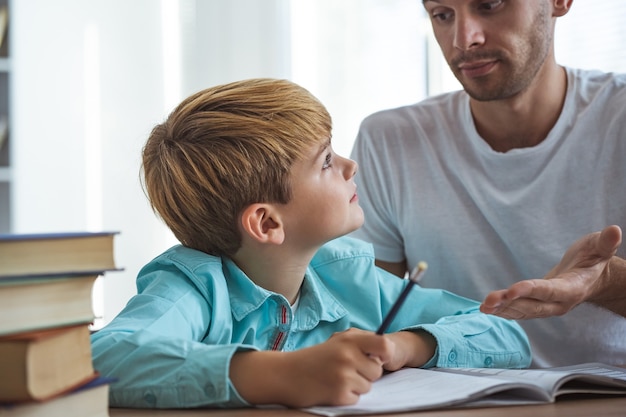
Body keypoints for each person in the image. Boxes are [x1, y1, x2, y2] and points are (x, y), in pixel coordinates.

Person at [90, 78, 530, 409]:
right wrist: (276, 375)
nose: (350, 164)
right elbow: (101, 356)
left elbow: (507, 333)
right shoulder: (193, 287)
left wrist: (405, 346)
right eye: (325, 161)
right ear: (266, 222)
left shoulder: (346, 274)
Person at [349, 0, 626, 368]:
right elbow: (364, 315)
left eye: (490, 5)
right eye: (442, 15)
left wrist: (607, 282)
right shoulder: (389, 141)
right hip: (449, 401)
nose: (464, 40)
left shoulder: (617, 119)